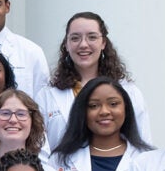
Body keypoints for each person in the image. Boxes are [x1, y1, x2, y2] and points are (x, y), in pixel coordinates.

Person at [39, 12, 154, 148]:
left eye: (92, 37)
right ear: (66, 44)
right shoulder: (47, 95)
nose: (83, 45)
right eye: (75, 38)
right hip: (60, 168)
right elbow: (40, 149)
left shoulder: (129, 91)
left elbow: (143, 144)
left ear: (103, 43)